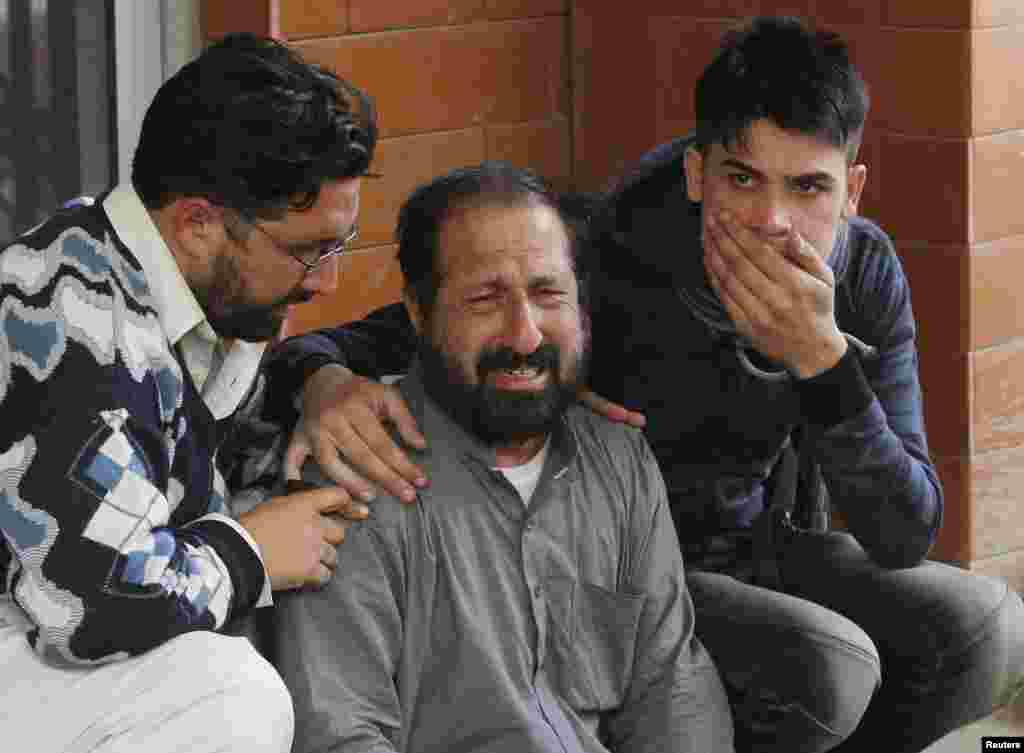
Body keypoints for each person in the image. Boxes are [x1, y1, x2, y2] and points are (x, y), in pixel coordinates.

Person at [260, 16, 1024, 753]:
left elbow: (904, 530)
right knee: (829, 665)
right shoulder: (613, 248)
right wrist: (322, 380)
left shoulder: (864, 272)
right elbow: (400, 328)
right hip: (620, 570)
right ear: (696, 171)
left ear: (853, 191)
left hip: (760, 543)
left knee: (983, 623)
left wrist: (822, 361)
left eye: (809, 188)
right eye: (742, 178)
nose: (772, 222)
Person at [272, 161, 734, 753]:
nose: (525, 336)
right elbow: (339, 734)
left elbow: (670, 686)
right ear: (418, 311)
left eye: (547, 294)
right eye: (486, 299)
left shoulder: (618, 459)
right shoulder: (358, 477)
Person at [0, 33, 377, 753]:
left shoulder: (207, 294)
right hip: (37, 630)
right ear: (198, 223)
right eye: (309, 250)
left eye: (341, 244)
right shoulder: (67, 310)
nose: (327, 280)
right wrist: (252, 551)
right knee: (231, 693)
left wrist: (318, 379)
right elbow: (92, 605)